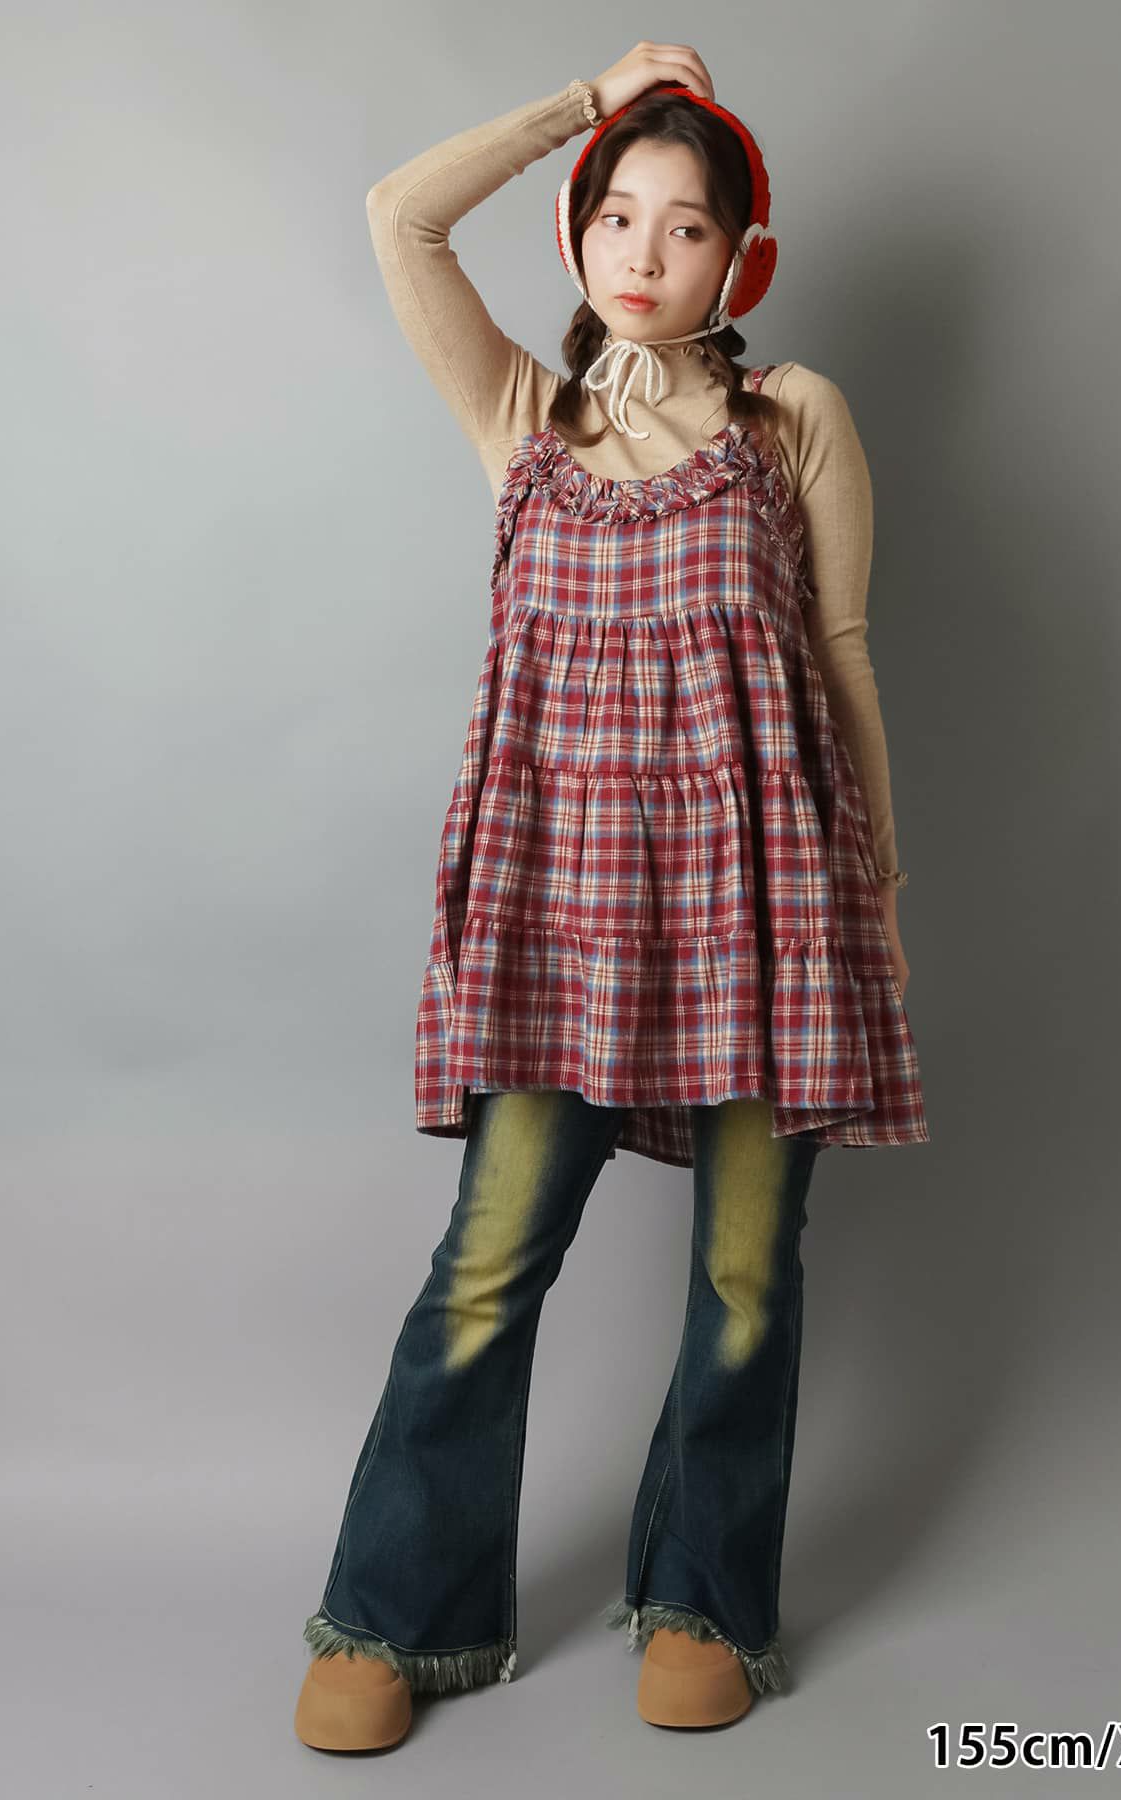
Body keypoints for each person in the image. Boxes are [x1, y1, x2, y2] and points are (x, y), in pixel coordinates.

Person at [293, 41, 930, 1752]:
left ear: (742, 263)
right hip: (560, 919)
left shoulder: (794, 421)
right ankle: (399, 1612)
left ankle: (704, 1595)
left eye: (688, 225)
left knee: (746, 1275)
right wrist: (580, 106)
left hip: (764, 909)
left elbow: (842, 654)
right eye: (618, 217)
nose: (646, 252)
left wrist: (874, 887)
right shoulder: (525, 417)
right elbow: (399, 216)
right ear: (577, 238)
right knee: (488, 1263)